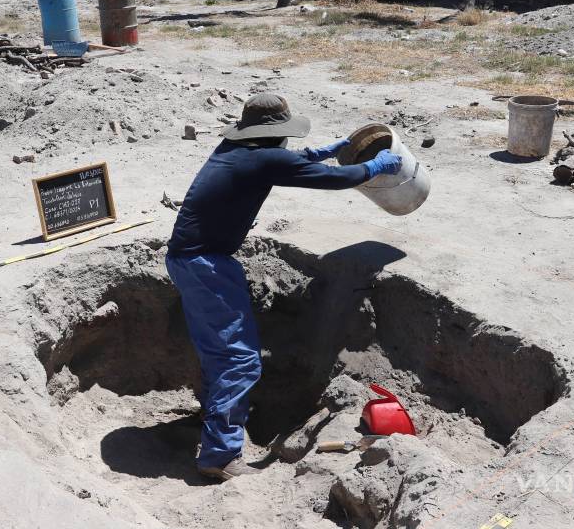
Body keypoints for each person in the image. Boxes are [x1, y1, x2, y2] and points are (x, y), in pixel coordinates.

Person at [165, 93, 403, 481]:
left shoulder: (237, 148)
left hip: (190, 260)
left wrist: (318, 152)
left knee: (218, 352)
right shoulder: (264, 157)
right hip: (207, 266)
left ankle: (214, 422)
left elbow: (281, 165)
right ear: (276, 134)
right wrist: (375, 166)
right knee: (239, 360)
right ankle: (219, 455)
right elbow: (334, 179)